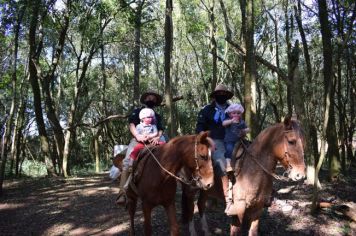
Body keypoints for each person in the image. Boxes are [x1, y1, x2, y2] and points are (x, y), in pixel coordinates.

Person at [116, 91, 165, 205]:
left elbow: (160, 129)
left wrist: (158, 137)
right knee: (127, 163)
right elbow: (132, 124)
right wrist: (137, 135)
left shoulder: (157, 116)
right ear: (145, 99)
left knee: (168, 156)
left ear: (156, 102)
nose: (151, 99)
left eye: (153, 98)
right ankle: (122, 193)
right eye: (149, 97)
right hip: (138, 140)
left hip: (154, 140)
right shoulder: (137, 111)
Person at [196, 84, 234, 213]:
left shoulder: (232, 108)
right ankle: (228, 199)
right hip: (215, 140)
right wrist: (207, 139)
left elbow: (239, 122)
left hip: (233, 139)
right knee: (221, 163)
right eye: (220, 93)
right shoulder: (206, 110)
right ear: (215, 95)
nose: (222, 95)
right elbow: (199, 128)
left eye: (224, 93)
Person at [222, 103, 250, 173]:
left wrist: (244, 130)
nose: (236, 115)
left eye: (238, 113)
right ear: (230, 114)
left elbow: (248, 129)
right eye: (234, 113)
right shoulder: (228, 120)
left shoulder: (241, 122)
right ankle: (228, 164)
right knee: (229, 149)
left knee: (249, 146)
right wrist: (231, 121)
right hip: (230, 140)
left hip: (240, 140)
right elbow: (223, 124)